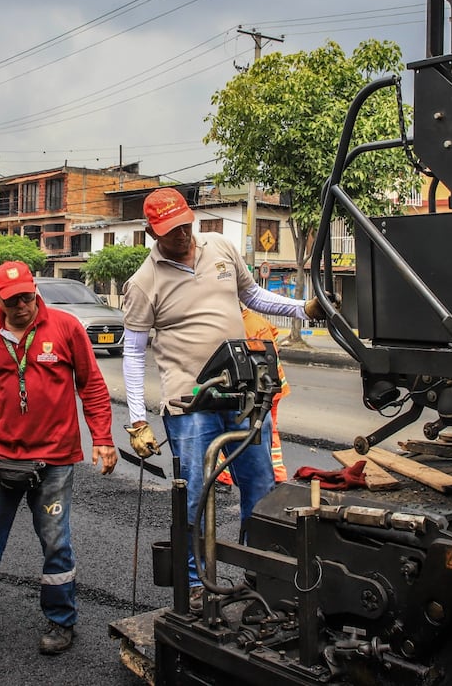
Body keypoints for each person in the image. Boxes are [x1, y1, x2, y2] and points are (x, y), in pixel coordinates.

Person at [120, 187, 332, 604]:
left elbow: (252, 296)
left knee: (261, 486)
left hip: (242, 392)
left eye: (184, 226)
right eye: (169, 231)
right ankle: (197, 585)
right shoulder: (143, 283)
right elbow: (132, 353)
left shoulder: (219, 247)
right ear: (151, 233)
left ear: (191, 218)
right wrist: (138, 420)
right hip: (189, 404)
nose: (181, 236)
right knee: (196, 492)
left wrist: (301, 309)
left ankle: (260, 576)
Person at [0, 261, 117, 660]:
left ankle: (61, 621)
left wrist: (103, 439)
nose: (23, 305)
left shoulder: (65, 327)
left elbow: (91, 384)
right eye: (13, 300)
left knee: (56, 542)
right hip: (0, 455)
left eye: (27, 296)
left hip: (54, 459)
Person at [216, 307, 291, 485]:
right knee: (270, 430)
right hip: (275, 385)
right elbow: (275, 338)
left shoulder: (239, 326)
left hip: (260, 387)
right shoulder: (258, 320)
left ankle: (224, 477)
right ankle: (278, 474)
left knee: (228, 428)